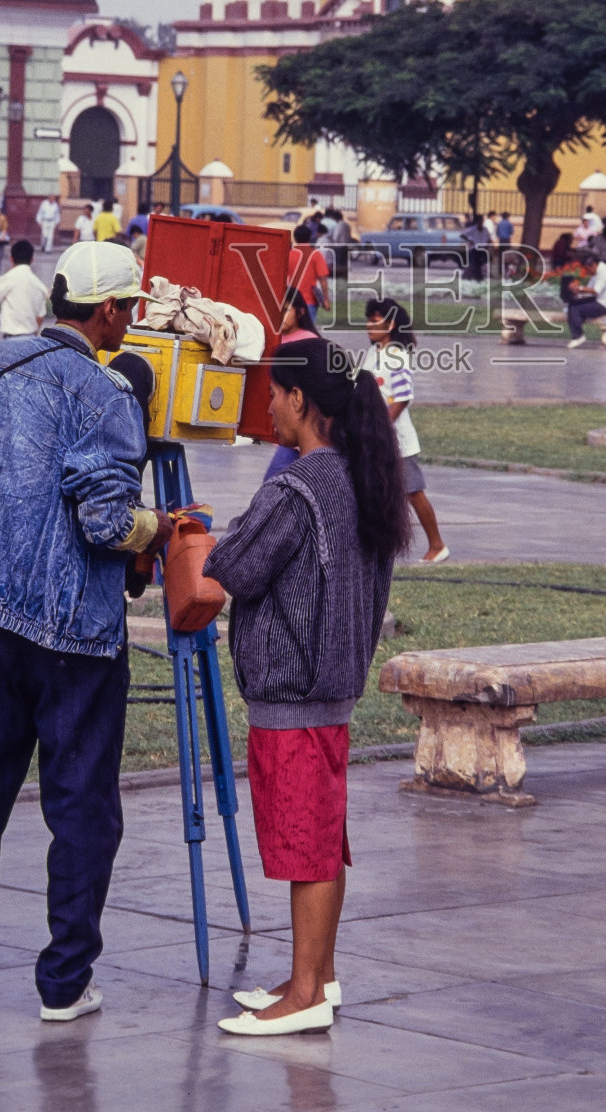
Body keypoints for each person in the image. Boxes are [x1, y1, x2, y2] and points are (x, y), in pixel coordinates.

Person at [0, 240, 172, 1023]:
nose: (129, 319)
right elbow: (104, 523)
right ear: (105, 311)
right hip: (73, 637)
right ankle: (64, 984)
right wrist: (160, 527)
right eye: (127, 306)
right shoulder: (104, 393)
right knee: (82, 809)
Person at [205, 337, 409, 1038]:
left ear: (300, 400)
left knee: (306, 844)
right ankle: (315, 975)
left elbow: (235, 566)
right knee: (322, 837)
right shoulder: (360, 476)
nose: (266, 405)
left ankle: (304, 994)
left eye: (273, 393)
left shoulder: (298, 485)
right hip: (331, 691)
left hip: (295, 695)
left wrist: (201, 536)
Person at [365, 296, 448, 563]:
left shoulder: (396, 356)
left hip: (397, 440)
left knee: (413, 491)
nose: (369, 325)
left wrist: (383, 428)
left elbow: (402, 398)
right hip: (374, 438)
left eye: (375, 320)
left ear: (390, 325)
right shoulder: (373, 354)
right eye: (369, 319)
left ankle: (437, 545)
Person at [262, 289, 321, 481]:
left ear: (301, 312)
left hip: (302, 423)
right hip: (284, 422)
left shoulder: (309, 340)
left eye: (286, 310)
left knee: (272, 482)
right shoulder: (275, 339)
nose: (280, 316)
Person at [0, 240, 49, 337]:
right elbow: (40, 316)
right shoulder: (40, 285)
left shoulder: (7, 278)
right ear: (32, 260)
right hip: (30, 337)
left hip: (11, 336)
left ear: (11, 259)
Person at [562, 249, 606, 348]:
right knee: (573, 304)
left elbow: (595, 291)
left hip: (604, 305)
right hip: (597, 301)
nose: (587, 272)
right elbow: (588, 290)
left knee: (575, 308)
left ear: (593, 265)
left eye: (588, 269)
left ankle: (578, 336)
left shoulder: (604, 272)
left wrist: (579, 288)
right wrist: (577, 292)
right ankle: (577, 332)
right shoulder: (596, 272)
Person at [288, 224, 331, 324]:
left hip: (292, 300)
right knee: (308, 332)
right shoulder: (315, 254)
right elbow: (323, 279)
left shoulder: (289, 254)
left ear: (295, 238)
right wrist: (326, 300)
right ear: (309, 237)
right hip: (309, 300)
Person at [460, 213, 490, 282]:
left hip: (482, 249)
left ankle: (477, 276)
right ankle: (471, 276)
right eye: (479, 221)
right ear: (477, 222)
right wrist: (470, 241)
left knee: (481, 264)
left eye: (481, 221)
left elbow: (488, 239)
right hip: (474, 249)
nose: (480, 222)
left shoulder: (485, 229)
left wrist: (487, 246)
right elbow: (462, 235)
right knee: (474, 263)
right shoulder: (473, 229)